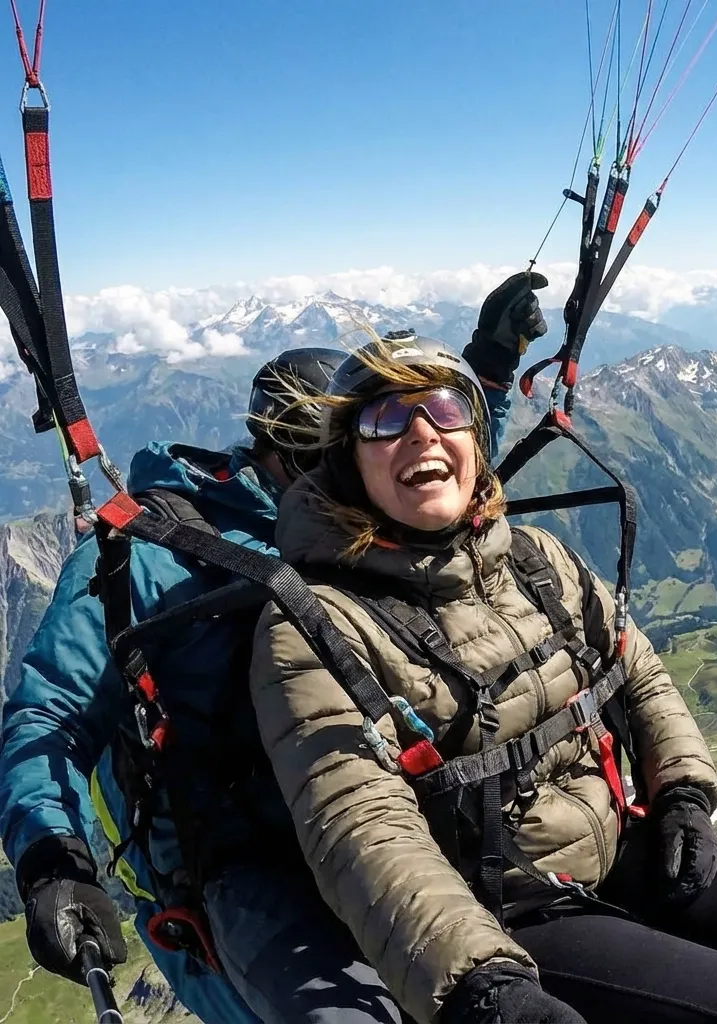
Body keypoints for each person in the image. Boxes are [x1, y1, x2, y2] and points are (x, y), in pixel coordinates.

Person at [248, 332, 717, 1024]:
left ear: (474, 439)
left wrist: (681, 791)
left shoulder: (532, 556)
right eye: (385, 419)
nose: (422, 433)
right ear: (348, 460)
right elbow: (362, 824)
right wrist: (481, 982)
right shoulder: (314, 625)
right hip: (505, 907)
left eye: (444, 410)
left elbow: (635, 667)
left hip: (617, 839)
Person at [0, 270, 549, 1023]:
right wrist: (52, 858)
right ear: (292, 453)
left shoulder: (341, 519)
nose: (367, 466)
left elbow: (437, 485)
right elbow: (51, 715)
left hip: (368, 805)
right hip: (241, 859)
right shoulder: (149, 554)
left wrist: (487, 368)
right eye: (344, 450)